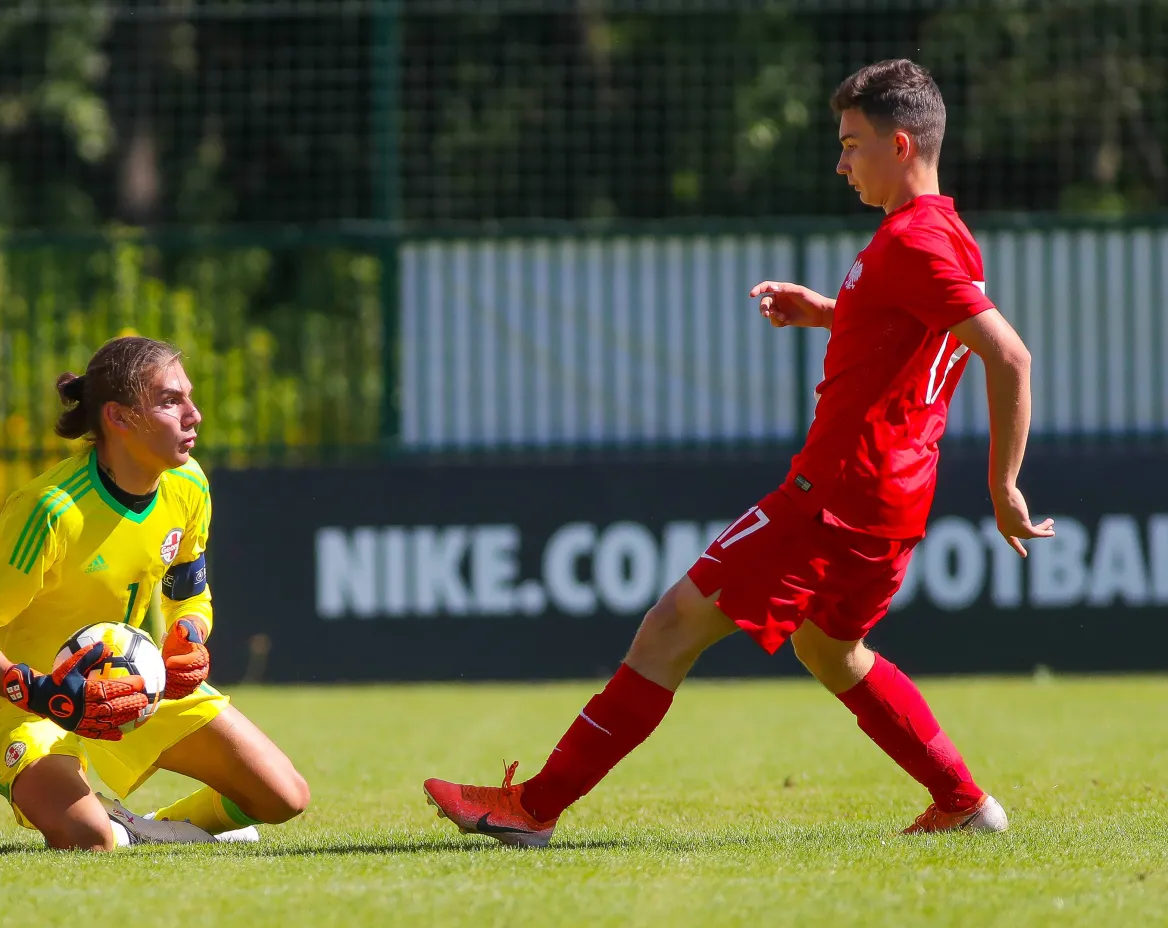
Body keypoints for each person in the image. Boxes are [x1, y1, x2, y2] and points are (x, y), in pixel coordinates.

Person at [423, 59, 1054, 846]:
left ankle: (533, 808)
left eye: (852, 143)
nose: (841, 161)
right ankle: (963, 802)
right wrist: (829, 313)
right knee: (831, 648)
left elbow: (1010, 356)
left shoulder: (912, 239)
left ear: (900, 144)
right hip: (892, 502)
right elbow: (919, 335)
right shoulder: (947, 233)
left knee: (668, 627)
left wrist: (1005, 487)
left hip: (832, 496)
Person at [0, 335, 309, 850]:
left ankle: (146, 827)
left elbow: (190, 593)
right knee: (90, 839)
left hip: (132, 685)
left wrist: (188, 635)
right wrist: (42, 690)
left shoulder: (188, 487)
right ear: (120, 417)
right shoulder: (50, 511)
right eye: (171, 400)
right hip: (21, 704)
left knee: (284, 796)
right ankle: (107, 825)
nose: (194, 414)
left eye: (189, 397)